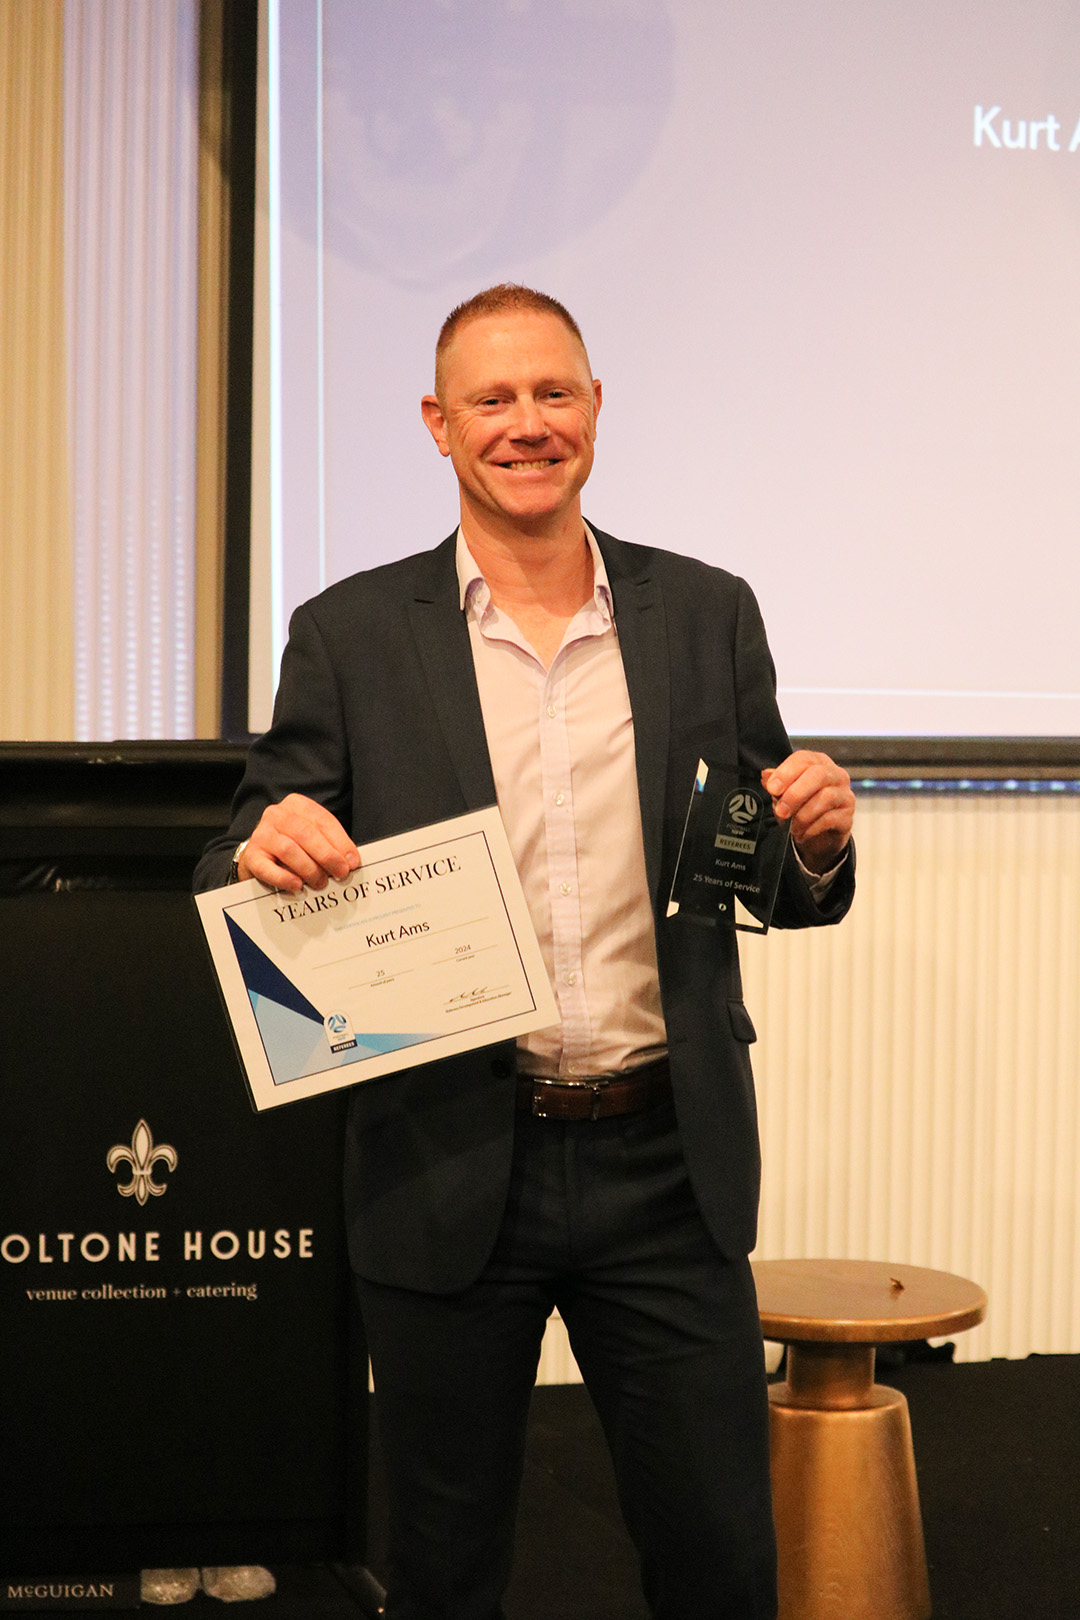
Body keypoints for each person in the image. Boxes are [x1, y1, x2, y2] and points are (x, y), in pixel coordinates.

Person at [196, 284, 855, 1620]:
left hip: (668, 1167)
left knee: (721, 1559)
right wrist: (269, 848)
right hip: (443, 1160)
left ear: (597, 408)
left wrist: (821, 841)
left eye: (553, 393)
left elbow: (765, 867)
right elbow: (239, 854)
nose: (527, 424)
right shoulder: (351, 634)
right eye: (491, 400)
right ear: (439, 426)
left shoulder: (708, 614)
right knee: (443, 1569)